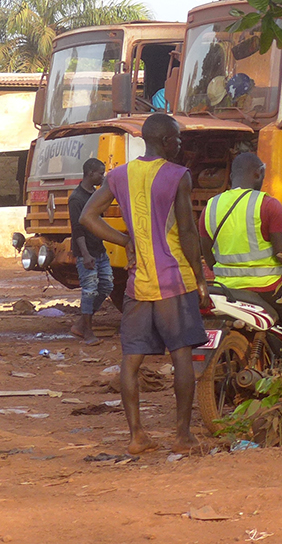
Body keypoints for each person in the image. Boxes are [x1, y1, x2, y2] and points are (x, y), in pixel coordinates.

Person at [79, 114, 209, 455]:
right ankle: (182, 434)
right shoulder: (178, 175)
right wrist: (200, 279)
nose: (180, 144)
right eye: (178, 139)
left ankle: (136, 435)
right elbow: (188, 232)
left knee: (131, 360)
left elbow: (87, 217)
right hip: (175, 279)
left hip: (138, 283)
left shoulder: (119, 175)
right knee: (181, 355)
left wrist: (124, 241)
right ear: (166, 140)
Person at [202, 153, 282, 335]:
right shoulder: (269, 205)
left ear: (231, 177)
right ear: (259, 173)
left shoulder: (211, 206)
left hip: (225, 289)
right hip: (267, 287)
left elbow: (209, 259)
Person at [67, 157, 112, 345]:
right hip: (87, 251)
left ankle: (81, 324)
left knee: (106, 286)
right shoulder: (76, 198)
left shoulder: (94, 194)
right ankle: (87, 331)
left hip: (99, 249)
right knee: (89, 291)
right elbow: (78, 230)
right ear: (90, 173)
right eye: (100, 173)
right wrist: (85, 254)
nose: (102, 176)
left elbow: (99, 219)